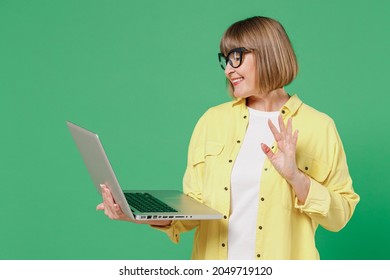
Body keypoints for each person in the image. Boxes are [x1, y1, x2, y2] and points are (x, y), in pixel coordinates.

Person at [96, 16, 360, 260]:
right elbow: (193, 211)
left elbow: (341, 215)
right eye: (225, 59)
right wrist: (136, 214)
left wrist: (296, 177)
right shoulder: (212, 121)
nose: (228, 70)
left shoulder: (319, 126)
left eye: (237, 57)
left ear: (268, 53)